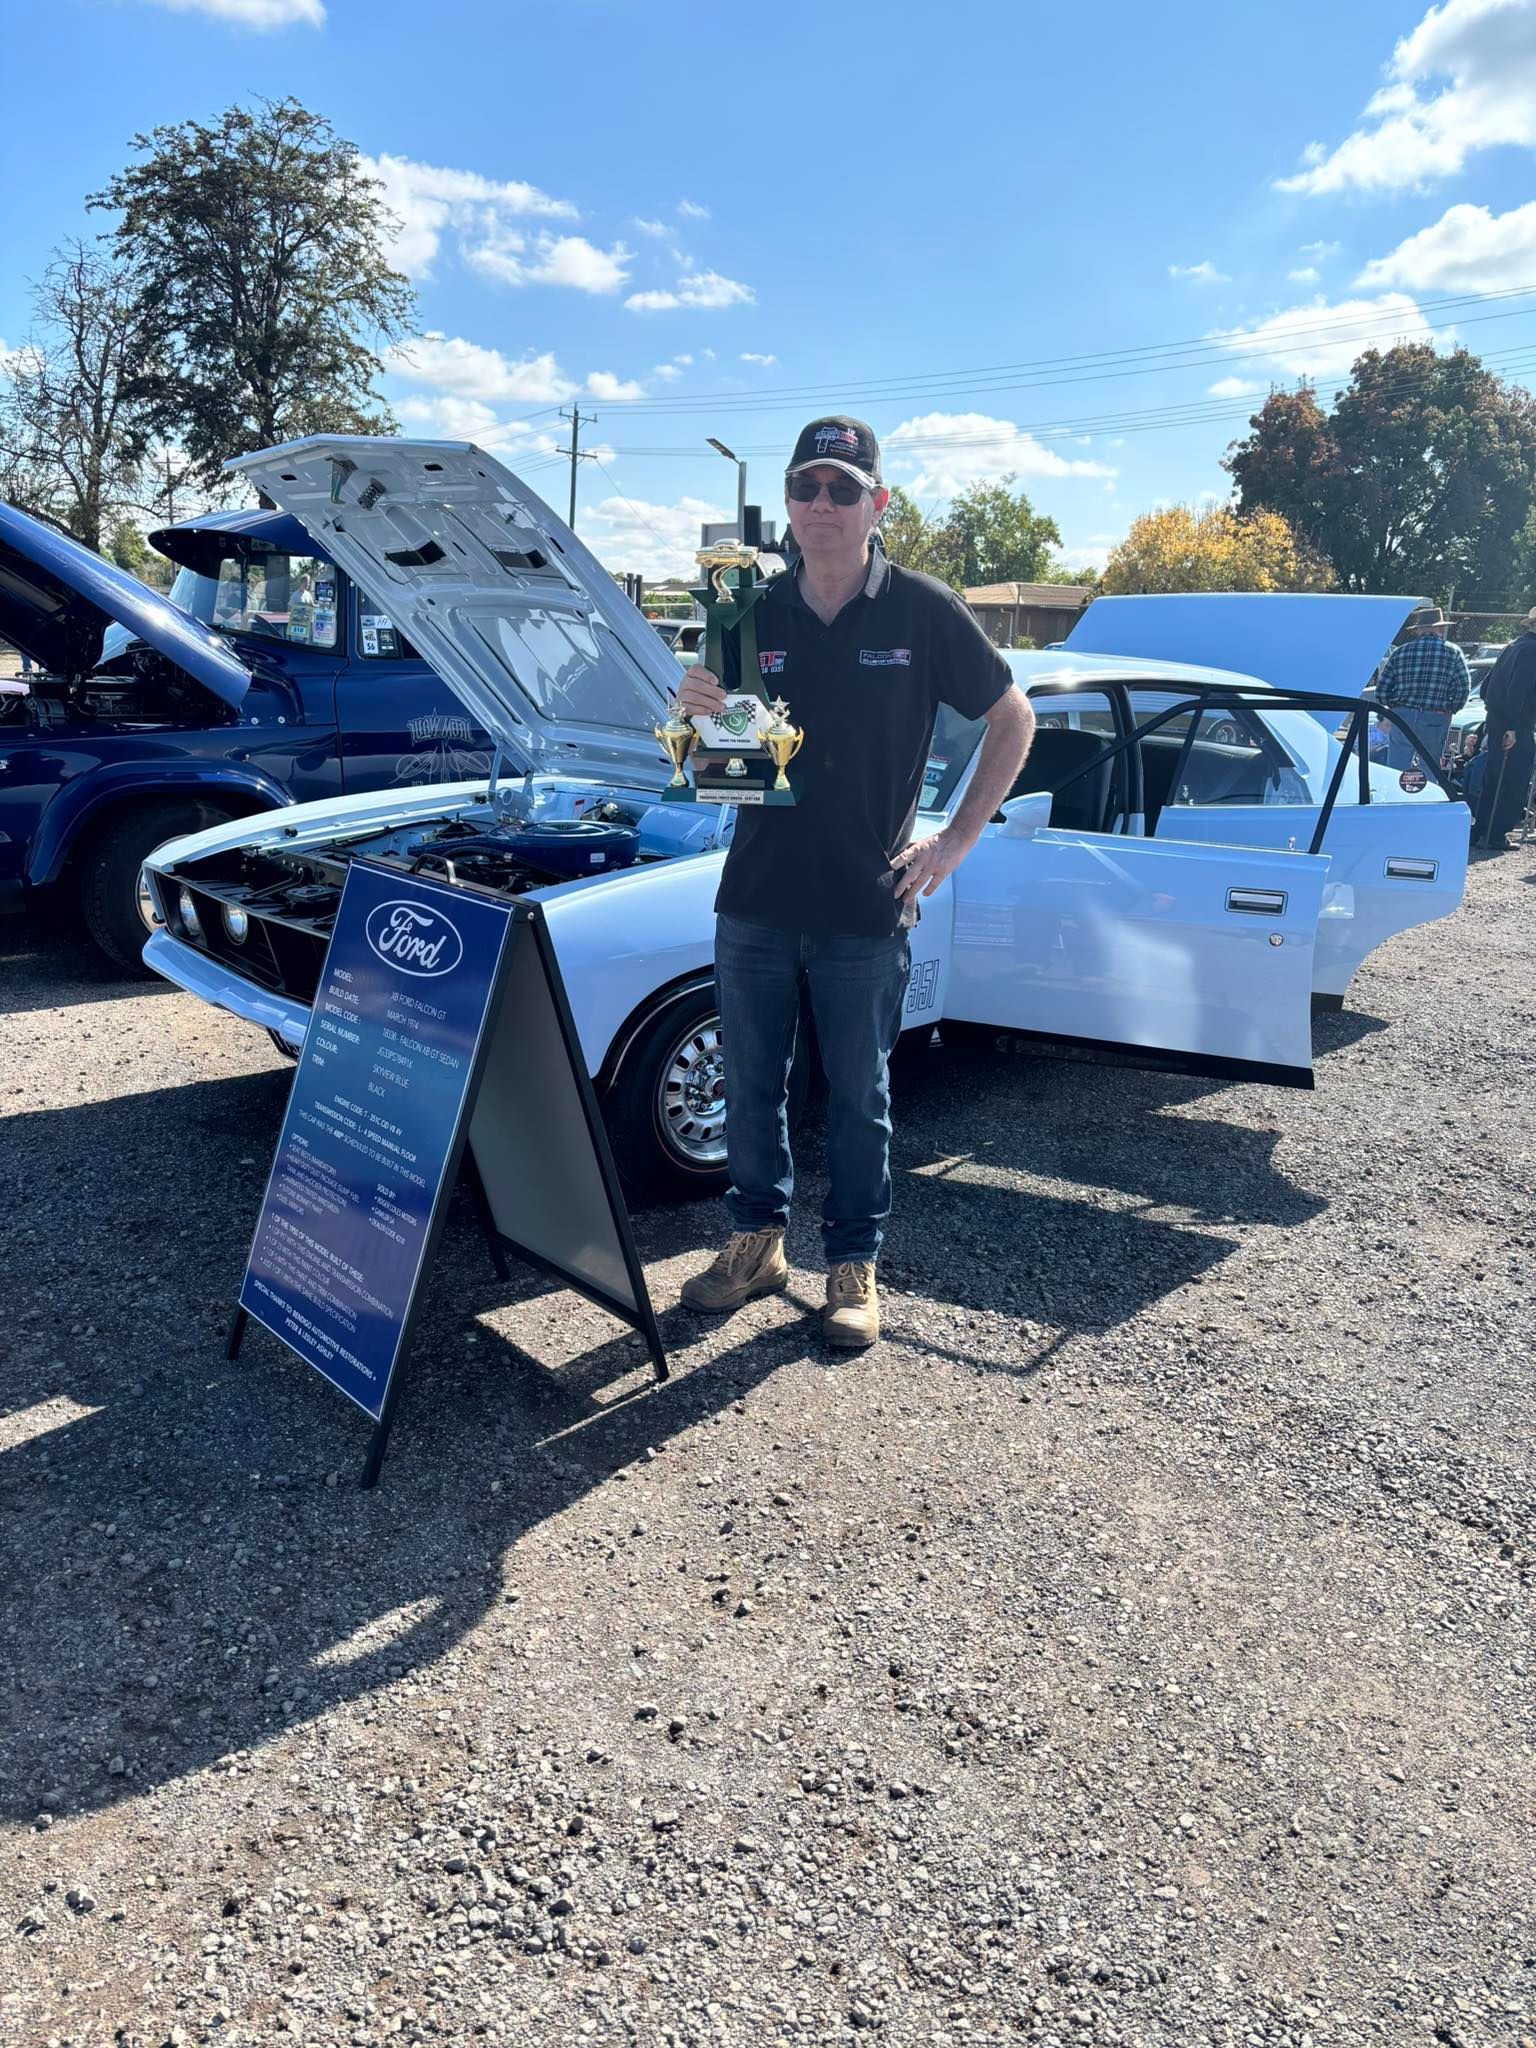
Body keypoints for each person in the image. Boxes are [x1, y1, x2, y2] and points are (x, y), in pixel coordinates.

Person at [676, 416, 1035, 1349]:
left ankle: (852, 1263)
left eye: (843, 489)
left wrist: (953, 843)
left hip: (865, 906)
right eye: (807, 488)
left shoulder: (921, 609)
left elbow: (1014, 718)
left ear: (877, 503)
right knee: (751, 1083)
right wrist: (691, 708)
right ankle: (756, 1246)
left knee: (858, 1094)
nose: (822, 505)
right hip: (754, 896)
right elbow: (716, 761)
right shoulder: (744, 610)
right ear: (786, 505)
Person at [1375, 609, 1470, 773]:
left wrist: (1394, 708)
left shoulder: (1400, 652)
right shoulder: (1453, 652)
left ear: (1418, 630)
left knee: (1396, 770)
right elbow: (1463, 688)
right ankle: (1426, 797)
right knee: (1430, 770)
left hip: (1401, 716)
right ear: (1440, 629)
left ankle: (1397, 797)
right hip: (1434, 716)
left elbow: (1382, 691)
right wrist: (1450, 709)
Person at [1472, 607, 1536, 850]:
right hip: (1516, 722)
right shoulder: (1532, 650)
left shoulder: (1513, 646)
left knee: (1494, 778)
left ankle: (1481, 830)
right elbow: (1518, 690)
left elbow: (1486, 688)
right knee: (1513, 780)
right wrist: (1512, 726)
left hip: (1498, 717)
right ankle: (1496, 834)